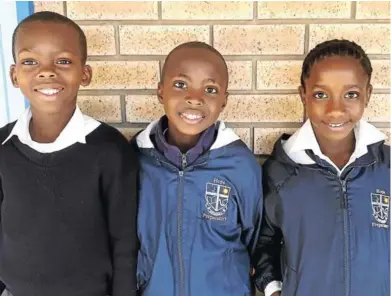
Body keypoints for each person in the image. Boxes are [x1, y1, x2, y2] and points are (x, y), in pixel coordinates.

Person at [0, 11, 138, 296]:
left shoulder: (110, 150)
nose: (47, 71)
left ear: (84, 73)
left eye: (63, 61)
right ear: (14, 75)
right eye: (30, 61)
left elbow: (124, 243)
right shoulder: (3, 147)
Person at [255, 39, 390, 296]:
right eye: (320, 94)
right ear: (303, 95)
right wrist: (274, 290)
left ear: (368, 94)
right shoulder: (281, 171)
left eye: (351, 94)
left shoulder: (385, 167)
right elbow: (264, 243)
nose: (335, 109)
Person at [132, 41, 263, 296]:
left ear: (224, 100)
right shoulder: (135, 159)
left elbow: (255, 240)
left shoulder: (240, 165)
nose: (194, 98)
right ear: (160, 92)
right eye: (180, 85)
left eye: (210, 89)